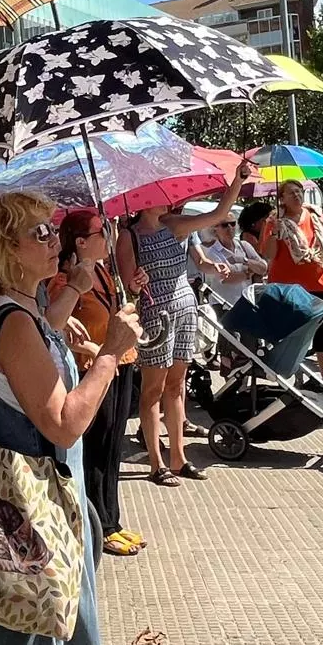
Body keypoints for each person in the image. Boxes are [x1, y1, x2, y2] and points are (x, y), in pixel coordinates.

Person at [0, 192, 141, 645]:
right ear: (7, 249)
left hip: (30, 511)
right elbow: (64, 425)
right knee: (36, 638)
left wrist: (72, 290)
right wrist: (111, 352)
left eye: (53, 229)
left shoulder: (13, 309)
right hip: (32, 521)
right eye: (40, 232)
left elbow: (37, 346)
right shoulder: (13, 323)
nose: (55, 239)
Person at [117, 161, 255, 487]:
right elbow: (128, 284)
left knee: (177, 385)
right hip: (156, 315)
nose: (166, 197)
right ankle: (156, 463)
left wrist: (237, 181)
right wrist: (137, 281)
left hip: (185, 308)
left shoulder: (174, 224)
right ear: (142, 199)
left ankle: (179, 458)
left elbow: (218, 214)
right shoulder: (129, 236)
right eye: (157, 193)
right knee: (152, 390)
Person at [51, 209, 143, 557]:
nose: (108, 238)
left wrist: (132, 290)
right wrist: (86, 346)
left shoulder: (105, 270)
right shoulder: (65, 279)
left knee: (113, 446)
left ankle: (111, 519)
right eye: (101, 233)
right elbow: (56, 326)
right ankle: (97, 525)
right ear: (80, 242)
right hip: (93, 369)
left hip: (121, 360)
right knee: (96, 447)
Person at [257, 180, 323, 385]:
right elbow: (268, 254)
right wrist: (274, 234)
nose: (296, 196)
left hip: (319, 280)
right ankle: (295, 377)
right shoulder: (274, 221)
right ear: (282, 199)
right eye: (291, 193)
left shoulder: (315, 215)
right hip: (288, 285)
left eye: (299, 191)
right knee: (292, 333)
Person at [202, 213, 268, 365]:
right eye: (225, 225)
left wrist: (244, 261)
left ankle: (245, 378)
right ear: (215, 228)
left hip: (247, 303)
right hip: (224, 305)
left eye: (232, 223)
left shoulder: (244, 246)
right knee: (229, 349)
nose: (230, 228)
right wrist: (248, 273)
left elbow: (263, 268)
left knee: (250, 349)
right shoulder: (212, 252)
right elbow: (226, 278)